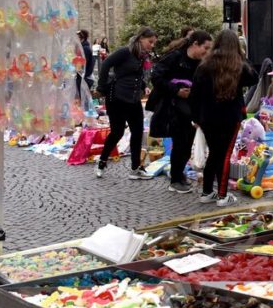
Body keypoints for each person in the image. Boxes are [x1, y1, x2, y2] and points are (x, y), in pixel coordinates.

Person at [190, 29, 259, 206]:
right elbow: (254, 78)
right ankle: (222, 195)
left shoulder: (204, 66)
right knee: (225, 154)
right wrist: (242, 57)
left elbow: (195, 94)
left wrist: (196, 117)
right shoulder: (239, 66)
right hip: (229, 117)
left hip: (207, 117)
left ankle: (207, 192)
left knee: (214, 153)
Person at [149, 30, 213, 193]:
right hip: (173, 107)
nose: (207, 52)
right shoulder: (175, 57)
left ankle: (178, 175)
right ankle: (176, 179)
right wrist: (176, 90)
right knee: (180, 143)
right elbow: (156, 77)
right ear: (195, 44)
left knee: (187, 143)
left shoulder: (201, 63)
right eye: (205, 48)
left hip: (191, 108)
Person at [94, 27, 157, 180]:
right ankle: (102, 161)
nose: (152, 45)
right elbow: (107, 63)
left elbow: (136, 74)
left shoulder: (142, 56)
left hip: (133, 99)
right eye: (150, 42)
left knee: (137, 132)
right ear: (141, 38)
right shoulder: (125, 51)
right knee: (117, 132)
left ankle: (135, 169)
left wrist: (144, 86)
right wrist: (102, 87)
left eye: (154, 43)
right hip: (117, 98)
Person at [76, 29, 95, 98]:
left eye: (77, 37)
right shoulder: (82, 48)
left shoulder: (85, 49)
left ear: (82, 38)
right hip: (83, 77)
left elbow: (82, 65)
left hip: (85, 78)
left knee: (82, 100)